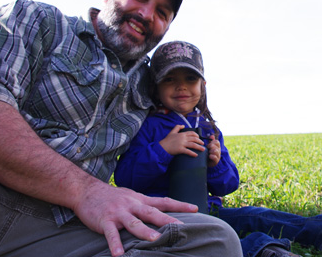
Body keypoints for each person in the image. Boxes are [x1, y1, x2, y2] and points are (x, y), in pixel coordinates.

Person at [0, 0, 243, 257]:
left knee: (218, 242)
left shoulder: (150, 84)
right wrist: (85, 191)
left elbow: (221, 176)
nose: (146, 14)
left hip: (65, 232)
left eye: (162, 13)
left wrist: (209, 154)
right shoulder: (38, 19)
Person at [115, 40, 322, 257]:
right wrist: (163, 149)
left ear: (202, 86)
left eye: (191, 78)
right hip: (163, 216)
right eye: (169, 79)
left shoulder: (207, 126)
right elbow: (125, 178)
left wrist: (215, 163)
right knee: (211, 240)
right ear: (155, 87)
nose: (181, 86)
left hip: (209, 210)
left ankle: (315, 230)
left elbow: (228, 184)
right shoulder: (148, 125)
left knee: (256, 217)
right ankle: (266, 250)